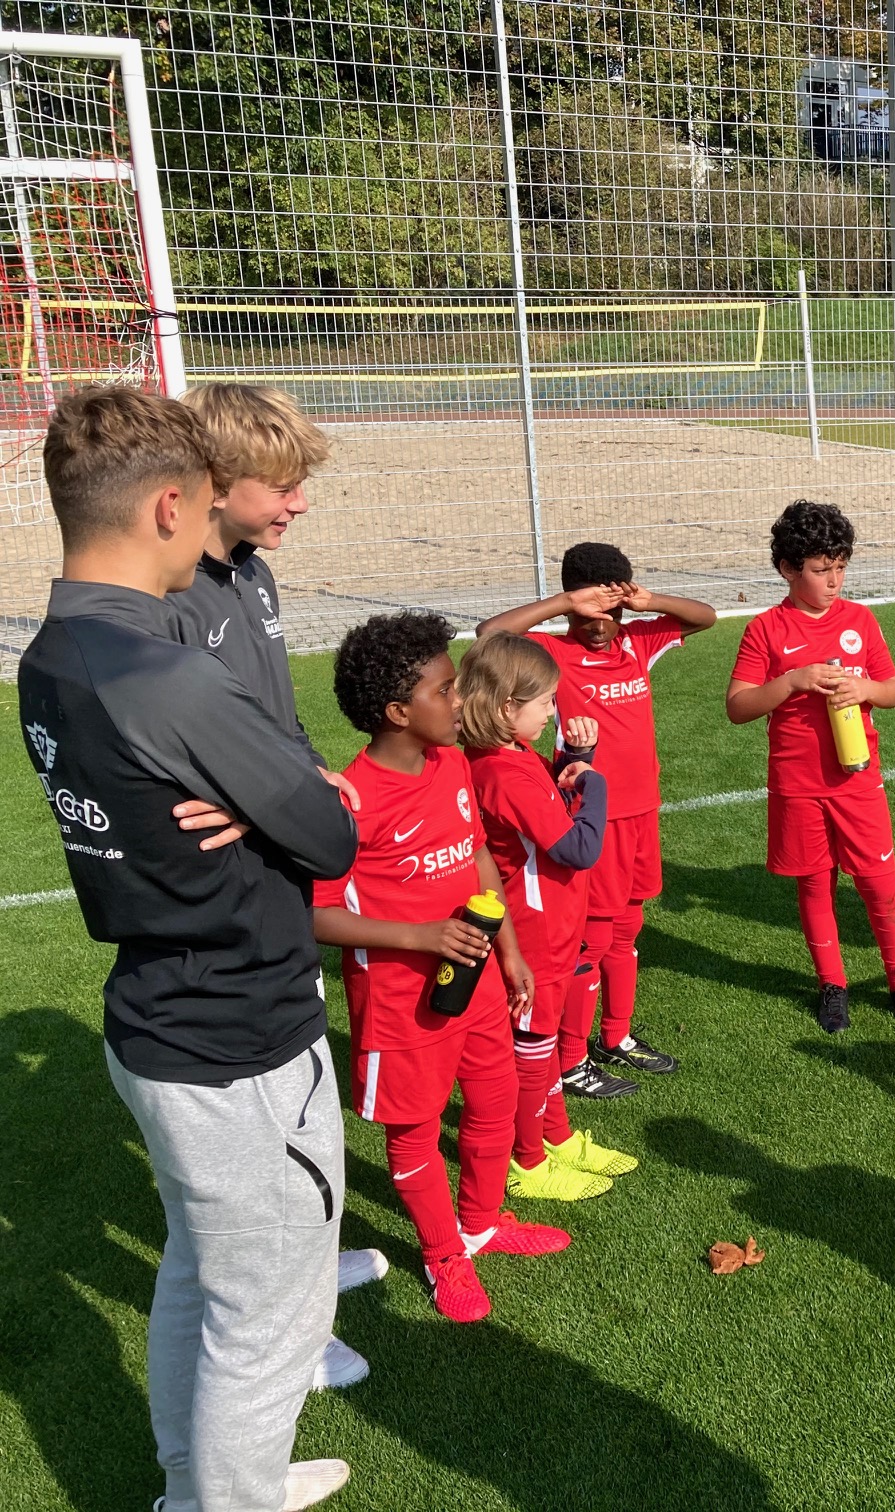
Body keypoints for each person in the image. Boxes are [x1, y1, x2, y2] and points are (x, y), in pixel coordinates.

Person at [17, 387, 358, 1510]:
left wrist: (263, 791)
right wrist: (279, 795)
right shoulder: (165, 672)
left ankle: (198, 1487)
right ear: (172, 506)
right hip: (238, 1036)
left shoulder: (52, 652)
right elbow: (329, 832)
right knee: (267, 1323)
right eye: (210, 498)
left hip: (161, 1014)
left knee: (200, 1278)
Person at [168, 378, 385, 1393]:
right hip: (225, 894)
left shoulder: (252, 576)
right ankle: (285, 1330)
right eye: (283, 484)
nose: (299, 502)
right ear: (215, 482)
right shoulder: (170, 601)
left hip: (283, 850)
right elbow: (173, 757)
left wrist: (308, 770)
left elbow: (272, 714)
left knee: (304, 1090)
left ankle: (311, 1258)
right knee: (256, 1126)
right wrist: (260, 806)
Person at [313, 612, 570, 1324]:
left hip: (478, 982)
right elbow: (316, 915)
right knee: (417, 1128)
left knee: (494, 1101)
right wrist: (422, 936)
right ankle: (443, 1254)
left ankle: (481, 1223)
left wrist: (509, 949)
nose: (460, 701)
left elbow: (476, 855)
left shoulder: (451, 763)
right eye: (446, 690)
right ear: (399, 712)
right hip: (402, 1004)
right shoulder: (350, 801)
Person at [476, 543, 719, 1096]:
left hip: (643, 812)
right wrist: (567, 602)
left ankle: (617, 1034)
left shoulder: (637, 641)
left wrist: (647, 601)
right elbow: (489, 635)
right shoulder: (551, 652)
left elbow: (705, 617)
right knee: (593, 939)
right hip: (592, 818)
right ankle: (571, 1058)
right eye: (590, 613)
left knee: (629, 928)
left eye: (612, 612)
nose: (601, 624)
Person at [726, 499, 895, 1035]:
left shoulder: (860, 621)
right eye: (822, 570)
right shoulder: (765, 629)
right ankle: (832, 985)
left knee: (880, 885)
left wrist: (865, 689)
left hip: (857, 779)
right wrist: (792, 682)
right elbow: (738, 706)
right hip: (797, 785)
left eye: (841, 567)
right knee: (816, 885)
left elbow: (893, 690)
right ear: (787, 569)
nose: (835, 580)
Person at [459, 632, 639, 1201]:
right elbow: (577, 847)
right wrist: (595, 782)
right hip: (535, 933)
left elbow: (549, 809)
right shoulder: (501, 771)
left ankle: (554, 1136)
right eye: (544, 703)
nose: (552, 712)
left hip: (553, 927)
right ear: (505, 707)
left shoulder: (511, 756)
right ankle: (528, 1161)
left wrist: (573, 763)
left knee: (545, 1041)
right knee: (533, 1047)